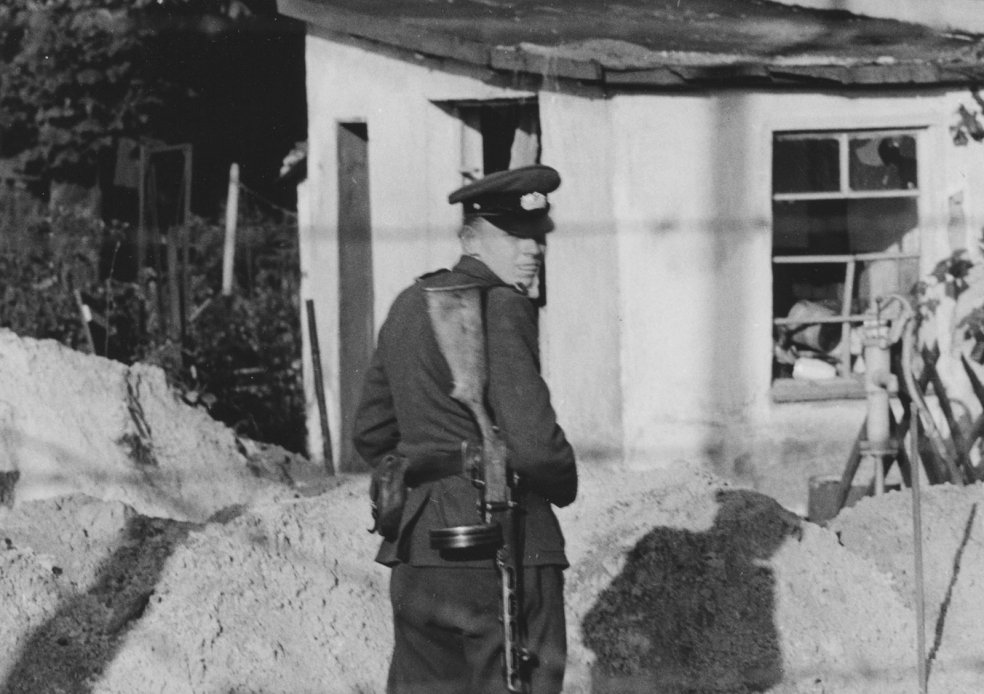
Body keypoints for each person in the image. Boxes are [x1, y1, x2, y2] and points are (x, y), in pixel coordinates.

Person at [353, 164, 578, 694]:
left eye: (537, 238)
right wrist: (563, 482)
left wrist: (430, 465)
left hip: (419, 555)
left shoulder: (410, 305)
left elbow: (370, 433)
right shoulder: (502, 305)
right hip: (500, 544)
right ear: (470, 239)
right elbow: (535, 445)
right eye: (514, 237)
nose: (531, 251)